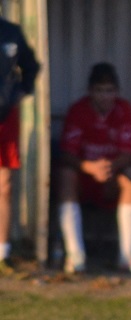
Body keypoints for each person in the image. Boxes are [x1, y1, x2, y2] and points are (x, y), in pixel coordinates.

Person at [56, 63, 131, 276]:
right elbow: (67, 153)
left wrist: (109, 167)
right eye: (99, 91)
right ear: (90, 91)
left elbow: (129, 152)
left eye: (109, 91)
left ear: (116, 91)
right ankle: (75, 254)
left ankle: (127, 255)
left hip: (110, 179)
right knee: (65, 175)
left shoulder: (123, 109)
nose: (105, 97)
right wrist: (88, 167)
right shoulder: (78, 111)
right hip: (84, 179)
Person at [0, 13, 39, 276]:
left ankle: (2, 253)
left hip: (5, 117)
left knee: (4, 185)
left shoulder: (11, 32)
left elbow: (31, 67)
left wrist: (19, 92)